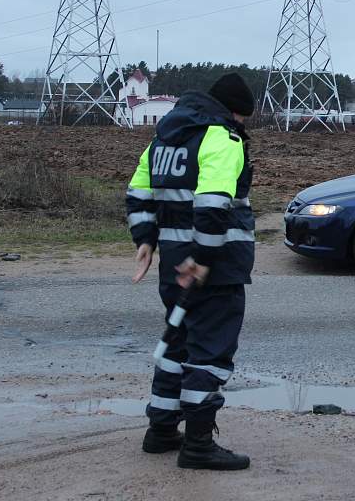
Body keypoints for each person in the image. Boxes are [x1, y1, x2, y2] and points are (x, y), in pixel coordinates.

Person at [125, 73, 256, 471]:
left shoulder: (163, 138)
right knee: (210, 352)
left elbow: (137, 193)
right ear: (234, 112)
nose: (243, 126)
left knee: (175, 344)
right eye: (243, 119)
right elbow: (214, 203)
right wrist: (202, 258)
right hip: (212, 266)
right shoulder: (221, 137)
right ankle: (198, 444)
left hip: (172, 262)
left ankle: (161, 429)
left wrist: (145, 240)